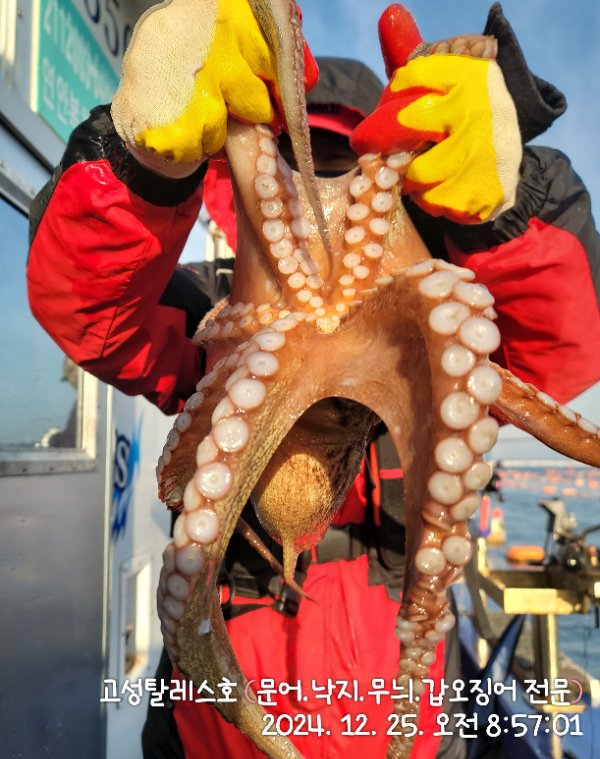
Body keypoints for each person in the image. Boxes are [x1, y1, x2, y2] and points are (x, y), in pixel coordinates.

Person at [26, 3, 600, 759]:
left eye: (344, 170)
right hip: (217, 730)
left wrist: (506, 207)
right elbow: (92, 311)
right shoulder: (216, 323)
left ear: (409, 203)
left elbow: (561, 346)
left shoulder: (429, 352)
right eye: (301, 171)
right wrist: (141, 167)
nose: (322, 211)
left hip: (410, 726)